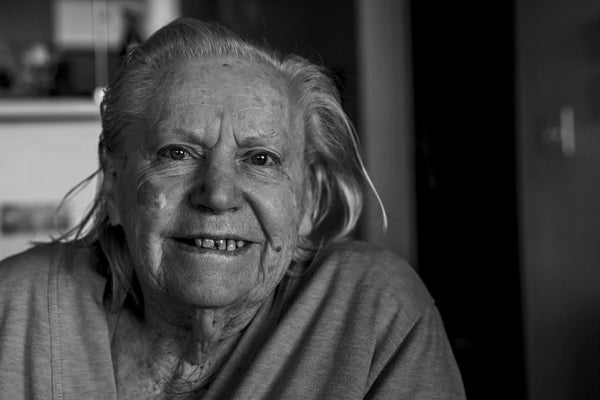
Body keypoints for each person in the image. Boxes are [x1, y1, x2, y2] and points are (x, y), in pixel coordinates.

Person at [0, 18, 466, 399]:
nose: (218, 195)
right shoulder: (16, 309)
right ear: (113, 184)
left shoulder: (372, 312)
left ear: (309, 201)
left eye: (260, 159)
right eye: (177, 153)